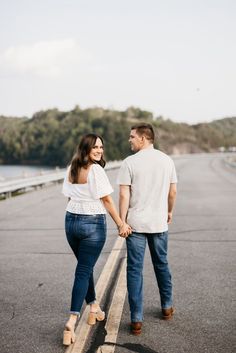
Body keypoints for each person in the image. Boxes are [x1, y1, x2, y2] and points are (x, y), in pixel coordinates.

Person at [62, 133, 131, 346]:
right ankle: (72, 320)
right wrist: (121, 223)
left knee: (85, 267)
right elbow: (108, 200)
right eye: (95, 147)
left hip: (71, 222)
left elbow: (69, 195)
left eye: (101, 146)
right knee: (83, 270)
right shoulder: (96, 170)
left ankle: (93, 308)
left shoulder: (71, 167)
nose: (100, 150)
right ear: (86, 149)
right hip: (91, 223)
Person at [117, 123, 177, 335]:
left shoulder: (129, 163)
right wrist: (169, 212)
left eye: (132, 137)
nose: (129, 140)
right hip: (159, 223)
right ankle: (167, 307)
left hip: (136, 226)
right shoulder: (166, 160)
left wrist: (121, 222)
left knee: (134, 270)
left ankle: (136, 320)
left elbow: (124, 195)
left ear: (143, 138)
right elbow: (172, 192)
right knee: (161, 264)